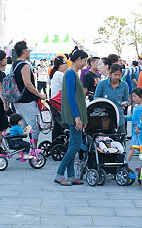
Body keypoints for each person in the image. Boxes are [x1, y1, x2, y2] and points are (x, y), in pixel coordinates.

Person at [54, 49, 88, 186]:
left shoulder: (72, 73)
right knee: (75, 145)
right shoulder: (70, 74)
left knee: (72, 145)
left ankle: (71, 175)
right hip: (74, 115)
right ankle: (60, 174)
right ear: (78, 59)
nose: (85, 64)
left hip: (75, 115)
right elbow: (71, 97)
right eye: (84, 61)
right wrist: (77, 117)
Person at [12, 41, 46, 149]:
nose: (29, 52)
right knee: (34, 127)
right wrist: (40, 95)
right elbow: (28, 83)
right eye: (28, 50)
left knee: (21, 125)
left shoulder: (14, 64)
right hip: (27, 100)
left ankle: (19, 148)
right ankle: (34, 149)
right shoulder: (25, 65)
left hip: (17, 100)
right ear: (24, 51)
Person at [94, 64, 129, 135]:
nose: (117, 77)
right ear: (110, 74)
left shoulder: (124, 85)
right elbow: (96, 97)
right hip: (105, 117)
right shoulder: (102, 84)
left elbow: (127, 100)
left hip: (119, 117)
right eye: (115, 75)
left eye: (119, 75)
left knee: (121, 138)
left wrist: (125, 103)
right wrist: (102, 100)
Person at [126, 87, 142, 161]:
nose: (133, 98)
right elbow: (133, 117)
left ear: (141, 96)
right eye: (132, 97)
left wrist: (138, 127)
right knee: (139, 148)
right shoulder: (135, 106)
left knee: (135, 147)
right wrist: (126, 117)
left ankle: (126, 163)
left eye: (135, 96)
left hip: (139, 131)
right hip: (134, 131)